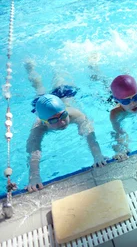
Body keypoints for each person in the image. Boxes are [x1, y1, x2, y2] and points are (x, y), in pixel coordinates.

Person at [25, 60, 107, 192]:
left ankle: (57, 65)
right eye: (53, 121)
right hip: (43, 105)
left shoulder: (75, 114)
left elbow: (90, 135)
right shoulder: (39, 127)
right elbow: (34, 151)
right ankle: (30, 67)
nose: (62, 122)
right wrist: (34, 176)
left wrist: (97, 155)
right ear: (44, 121)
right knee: (39, 87)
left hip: (63, 96)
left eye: (63, 116)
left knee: (61, 82)